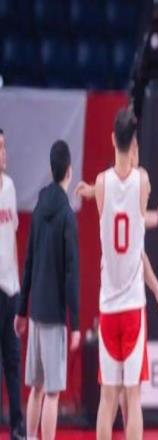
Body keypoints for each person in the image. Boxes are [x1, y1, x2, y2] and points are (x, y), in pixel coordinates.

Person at [74, 120, 158, 429]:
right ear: (134, 144)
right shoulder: (143, 181)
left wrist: (91, 191)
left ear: (113, 138)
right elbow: (136, 217)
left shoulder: (102, 183)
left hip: (108, 308)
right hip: (132, 309)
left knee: (108, 398)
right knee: (133, 397)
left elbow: (113, 200)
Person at [15, 140, 80, 440]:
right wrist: (75, 324)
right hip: (54, 317)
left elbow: (28, 260)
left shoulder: (40, 206)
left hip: (36, 313)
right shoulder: (67, 215)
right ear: (69, 171)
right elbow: (71, 274)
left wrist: (21, 310)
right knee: (52, 392)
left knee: (36, 389)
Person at [0, 129, 26, 440]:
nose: (4, 153)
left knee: (13, 360)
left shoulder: (9, 187)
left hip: (10, 288)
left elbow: (13, 237)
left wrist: (18, 285)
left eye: (4, 146)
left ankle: (17, 426)